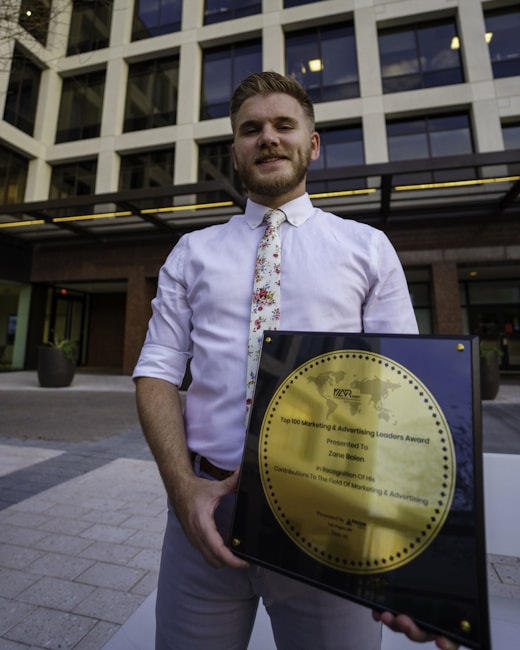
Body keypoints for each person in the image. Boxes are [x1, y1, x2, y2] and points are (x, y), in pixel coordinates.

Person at [134, 71, 458, 650]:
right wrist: (182, 488)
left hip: (332, 514)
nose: (268, 138)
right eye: (251, 129)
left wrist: (413, 556)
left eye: (284, 125)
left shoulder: (367, 247)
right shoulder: (192, 252)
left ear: (311, 143)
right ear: (235, 151)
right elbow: (158, 368)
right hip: (207, 509)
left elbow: (405, 389)